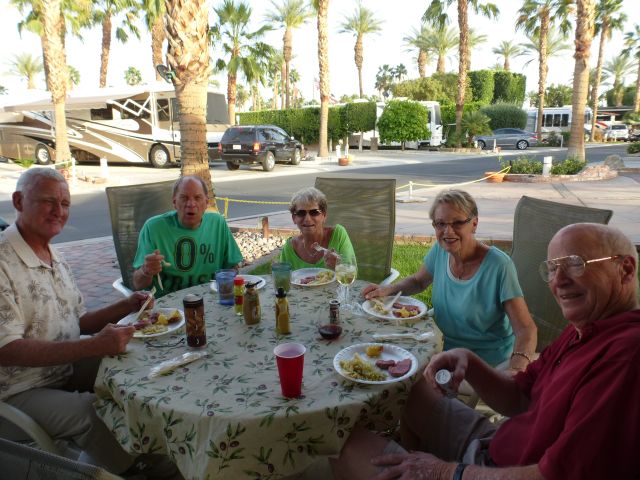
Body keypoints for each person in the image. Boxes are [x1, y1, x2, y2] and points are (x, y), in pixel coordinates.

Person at [335, 223, 640, 479]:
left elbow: (555, 474)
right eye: (553, 268)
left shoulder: (625, 355)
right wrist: (471, 361)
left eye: (575, 263)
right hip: (497, 444)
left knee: (343, 446)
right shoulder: (584, 331)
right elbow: (521, 397)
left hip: (503, 471)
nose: (558, 280)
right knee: (414, 388)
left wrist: (445, 472)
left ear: (625, 269)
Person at [0, 168, 174, 477]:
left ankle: (150, 442)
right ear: (18, 200)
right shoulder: (3, 262)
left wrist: (126, 304)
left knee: (135, 362)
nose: (59, 211)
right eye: (48, 201)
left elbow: (78, 321)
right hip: (17, 389)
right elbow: (8, 349)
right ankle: (137, 467)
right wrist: (91, 347)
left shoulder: (54, 255)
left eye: (65, 204)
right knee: (92, 411)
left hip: (60, 368)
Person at [363, 189, 536, 371]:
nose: (448, 231)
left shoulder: (499, 266)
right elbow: (418, 281)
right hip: (438, 348)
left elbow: (526, 330)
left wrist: (516, 371)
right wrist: (388, 290)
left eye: (457, 223)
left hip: (482, 362)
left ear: (474, 224)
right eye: (440, 224)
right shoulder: (441, 251)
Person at [132, 175, 243, 297]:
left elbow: (232, 266)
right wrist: (146, 271)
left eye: (197, 198)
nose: (191, 204)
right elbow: (138, 284)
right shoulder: (153, 227)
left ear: (206, 202)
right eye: (184, 198)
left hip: (209, 298)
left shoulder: (217, 223)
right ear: (174, 202)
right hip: (169, 307)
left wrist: (226, 283)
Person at [279, 186, 356, 270]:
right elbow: (282, 279)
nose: (307, 219)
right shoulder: (290, 248)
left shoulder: (338, 235)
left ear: (324, 215)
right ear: (294, 218)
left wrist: (338, 266)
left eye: (314, 212)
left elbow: (351, 272)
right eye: (301, 213)